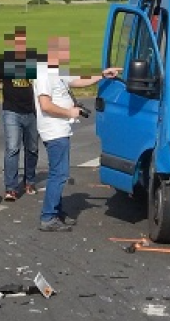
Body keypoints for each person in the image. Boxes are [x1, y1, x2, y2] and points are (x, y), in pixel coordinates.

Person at [33, 36, 120, 232]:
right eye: (63, 52)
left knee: (59, 173)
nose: (67, 56)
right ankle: (48, 217)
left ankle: (56, 213)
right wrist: (69, 112)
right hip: (54, 130)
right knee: (59, 174)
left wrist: (102, 75)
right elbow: (45, 105)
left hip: (60, 129)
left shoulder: (57, 70)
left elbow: (78, 80)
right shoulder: (44, 73)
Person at [0, 27, 41, 202]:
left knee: (32, 148)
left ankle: (29, 181)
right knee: (12, 148)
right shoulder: (4, 61)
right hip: (12, 111)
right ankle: (11, 188)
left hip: (31, 112)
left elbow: (42, 84)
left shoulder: (33, 61)